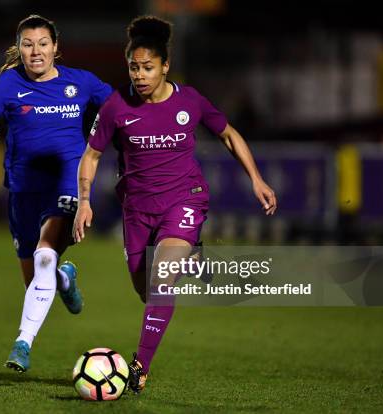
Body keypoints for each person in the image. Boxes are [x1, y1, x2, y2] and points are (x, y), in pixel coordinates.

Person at [73, 16, 277, 393]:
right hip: (136, 209)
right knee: (145, 290)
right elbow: (91, 156)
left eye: (148, 67)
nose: (140, 75)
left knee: (162, 279)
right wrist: (85, 201)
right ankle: (193, 259)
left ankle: (139, 367)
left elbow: (229, 135)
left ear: (165, 66)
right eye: (134, 67)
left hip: (185, 199)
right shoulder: (117, 107)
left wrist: (257, 179)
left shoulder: (190, 101)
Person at [0, 15, 112, 373]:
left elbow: (118, 111)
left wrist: (99, 136)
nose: (36, 51)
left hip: (67, 185)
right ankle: (64, 278)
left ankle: (22, 344)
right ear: (19, 49)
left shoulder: (82, 82)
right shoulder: (8, 84)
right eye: (28, 44)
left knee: (45, 255)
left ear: (56, 47)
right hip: (23, 192)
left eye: (43, 43)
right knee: (37, 278)